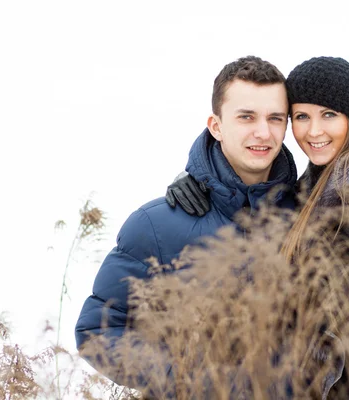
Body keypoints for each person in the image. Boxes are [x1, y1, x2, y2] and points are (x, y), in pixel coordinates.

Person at [166, 57, 349, 398]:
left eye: (329, 114)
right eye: (301, 117)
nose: (314, 131)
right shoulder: (322, 183)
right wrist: (202, 181)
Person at [74, 55, 298, 397]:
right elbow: (98, 331)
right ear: (216, 125)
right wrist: (189, 378)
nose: (263, 132)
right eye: (246, 117)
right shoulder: (156, 224)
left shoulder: (310, 216)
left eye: (275, 118)